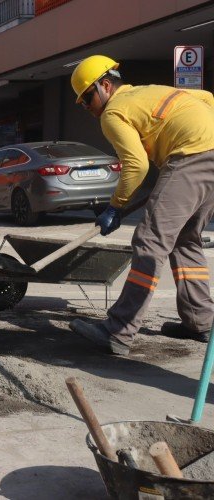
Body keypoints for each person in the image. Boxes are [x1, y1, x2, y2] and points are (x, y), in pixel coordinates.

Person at [68, 55, 214, 355]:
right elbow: (207, 97)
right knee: (185, 240)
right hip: (209, 151)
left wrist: (115, 206)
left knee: (149, 241)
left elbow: (136, 165)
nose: (87, 109)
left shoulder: (113, 113)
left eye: (87, 100)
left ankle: (118, 330)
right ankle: (201, 322)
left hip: (190, 155)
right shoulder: (146, 92)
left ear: (105, 86)